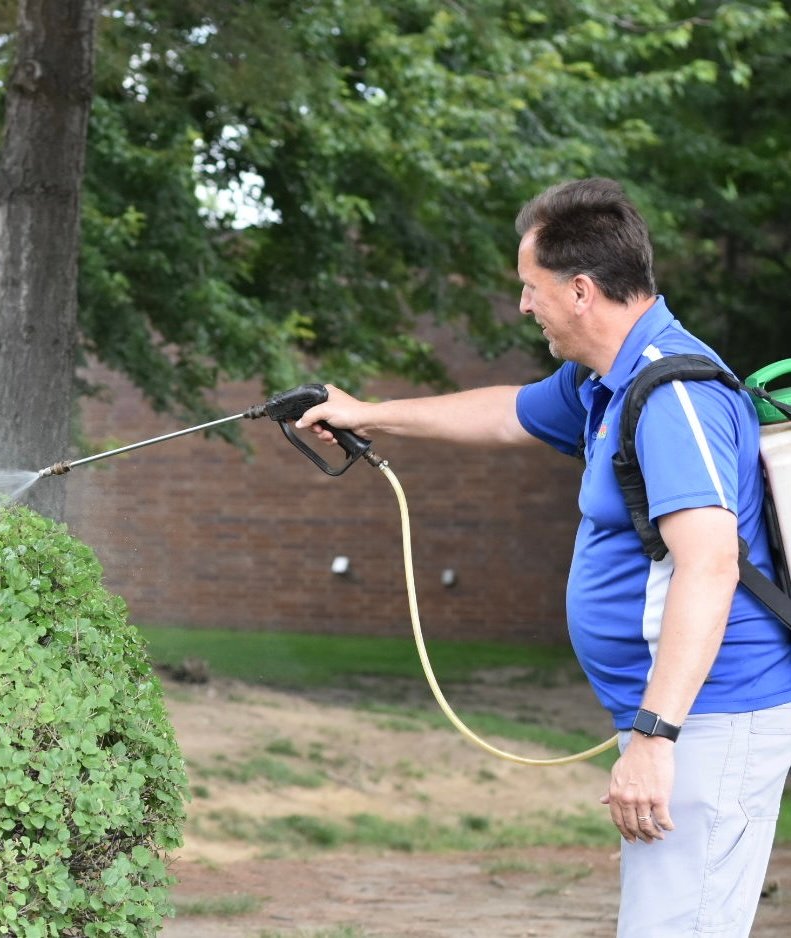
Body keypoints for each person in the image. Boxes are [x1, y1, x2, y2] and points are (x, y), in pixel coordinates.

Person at [298, 177, 791, 936]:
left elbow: (709, 566)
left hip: (710, 720)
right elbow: (504, 416)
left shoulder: (672, 396)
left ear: (582, 291)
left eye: (531, 288)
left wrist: (657, 739)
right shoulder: (605, 382)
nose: (524, 306)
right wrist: (367, 414)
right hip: (681, 719)